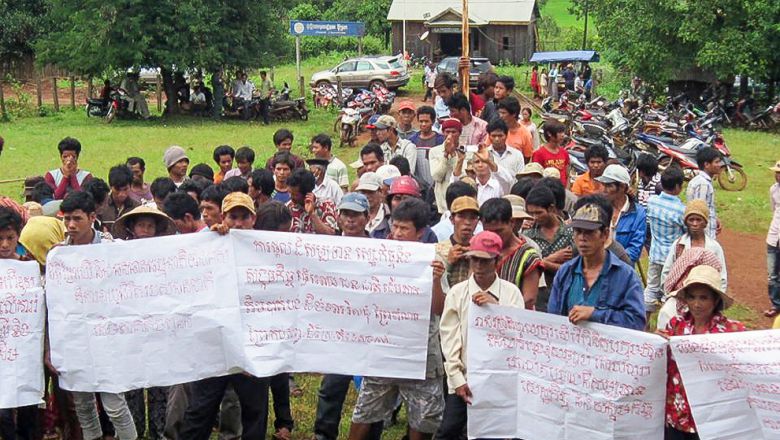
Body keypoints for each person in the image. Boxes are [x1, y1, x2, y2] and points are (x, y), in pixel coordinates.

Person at [348, 198, 445, 440]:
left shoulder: (433, 261)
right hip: (384, 349)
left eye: (405, 229)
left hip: (421, 353)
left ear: (420, 232)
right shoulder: (378, 255)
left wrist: (434, 280)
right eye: (395, 226)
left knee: (421, 419)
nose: (398, 233)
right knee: (364, 412)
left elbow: (439, 309)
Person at [179, 193, 270, 440]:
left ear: (254, 218)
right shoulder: (209, 244)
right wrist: (211, 238)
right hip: (214, 344)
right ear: (223, 218)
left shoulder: (267, 249)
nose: (238, 223)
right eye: (233, 217)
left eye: (244, 217)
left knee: (255, 411)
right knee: (201, 409)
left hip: (252, 344)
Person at [56, 191, 139, 440]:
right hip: (76, 341)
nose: (71, 225)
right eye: (67, 219)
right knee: (83, 405)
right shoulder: (59, 254)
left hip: (109, 340)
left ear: (92, 217)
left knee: (114, 404)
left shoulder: (111, 249)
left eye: (77, 219)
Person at [437, 230, 524, 439]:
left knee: (495, 432)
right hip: (465, 377)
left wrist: (496, 308)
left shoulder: (511, 293)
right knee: (449, 430)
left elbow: (519, 334)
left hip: (499, 380)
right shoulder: (458, 293)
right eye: (474, 259)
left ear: (497, 260)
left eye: (484, 261)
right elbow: (449, 338)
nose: (478, 266)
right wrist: (457, 377)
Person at [312, 193, 384, 440]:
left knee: (373, 391)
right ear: (339, 217)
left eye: (355, 215)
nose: (350, 220)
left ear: (367, 217)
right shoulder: (327, 249)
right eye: (345, 214)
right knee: (331, 388)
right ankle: (323, 435)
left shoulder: (382, 251)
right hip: (338, 332)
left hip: (369, 332)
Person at [110, 206, 176, 439]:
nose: (145, 230)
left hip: (160, 330)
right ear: (132, 228)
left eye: (150, 226)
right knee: (132, 385)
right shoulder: (119, 252)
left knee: (160, 386)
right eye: (141, 225)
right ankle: (135, 431)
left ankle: (159, 432)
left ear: (157, 229)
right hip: (130, 332)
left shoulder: (167, 254)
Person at [658, 265, 745, 440]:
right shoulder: (675, 325)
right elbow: (661, 366)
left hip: (711, 418)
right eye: (692, 297)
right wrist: (657, 345)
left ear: (715, 300)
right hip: (676, 414)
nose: (696, 304)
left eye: (703, 298)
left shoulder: (732, 332)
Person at [548, 201, 646, 330]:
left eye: (589, 232)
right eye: (578, 231)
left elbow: (637, 321)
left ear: (605, 234)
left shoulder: (625, 276)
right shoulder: (565, 272)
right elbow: (553, 318)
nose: (582, 238)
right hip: (570, 347)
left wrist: (595, 314)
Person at [0, 207, 43, 440]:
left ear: (18, 236)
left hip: (25, 353)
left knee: (28, 408)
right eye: (0, 239)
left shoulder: (29, 267)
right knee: (3, 413)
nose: (5, 245)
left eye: (10, 238)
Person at [660, 199, 728, 302]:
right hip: (680, 297)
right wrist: (670, 295)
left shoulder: (714, 248)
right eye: (691, 220)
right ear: (686, 222)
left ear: (705, 223)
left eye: (698, 220)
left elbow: (721, 277)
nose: (695, 224)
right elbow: (667, 272)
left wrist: (716, 300)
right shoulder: (679, 245)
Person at [480, 198, 543, 309]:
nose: (495, 237)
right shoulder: (480, 249)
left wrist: (497, 307)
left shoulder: (529, 256)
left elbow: (529, 299)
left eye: (499, 231)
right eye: (489, 232)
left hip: (515, 320)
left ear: (511, 223)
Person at [643, 168, 687, 320]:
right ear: (677, 187)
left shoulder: (652, 202)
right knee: (670, 291)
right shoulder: (681, 210)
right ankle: (666, 322)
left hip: (654, 254)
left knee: (651, 288)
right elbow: (686, 232)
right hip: (673, 258)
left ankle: (645, 321)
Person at [524, 186, 575, 310]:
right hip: (538, 300)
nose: (534, 217)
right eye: (531, 213)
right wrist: (552, 259)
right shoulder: (528, 236)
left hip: (566, 296)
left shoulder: (571, 233)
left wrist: (541, 263)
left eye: (539, 212)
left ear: (551, 208)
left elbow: (573, 269)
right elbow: (526, 268)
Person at [596, 164, 646, 264]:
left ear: (622, 187)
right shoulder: (597, 208)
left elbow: (635, 249)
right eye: (603, 185)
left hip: (623, 270)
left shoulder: (638, 213)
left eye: (609, 186)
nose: (604, 190)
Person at [435, 195, 481, 291]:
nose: (467, 222)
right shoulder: (438, 250)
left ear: (477, 221)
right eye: (461, 217)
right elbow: (435, 284)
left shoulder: (482, 251)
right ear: (452, 219)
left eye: (472, 218)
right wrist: (448, 262)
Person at [286, 168, 338, 235]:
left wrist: (312, 214)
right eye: (289, 193)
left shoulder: (326, 206)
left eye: (295, 195)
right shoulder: (288, 207)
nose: (290, 197)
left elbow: (331, 234)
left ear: (306, 193)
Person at [686, 147, 722, 239]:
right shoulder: (703, 184)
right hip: (704, 235)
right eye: (716, 162)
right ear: (706, 164)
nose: (720, 165)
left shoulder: (698, 180)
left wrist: (715, 219)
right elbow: (699, 211)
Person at [429, 118, 462, 215]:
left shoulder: (465, 151)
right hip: (442, 203)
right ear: (443, 133)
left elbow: (462, 176)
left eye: (454, 132)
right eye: (447, 132)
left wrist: (453, 155)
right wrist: (446, 155)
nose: (450, 135)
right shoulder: (434, 151)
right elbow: (436, 177)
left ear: (459, 133)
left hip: (461, 200)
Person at [409, 106, 445, 188]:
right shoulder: (412, 141)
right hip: (419, 185)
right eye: (421, 121)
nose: (423, 124)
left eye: (426, 121)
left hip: (437, 183)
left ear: (432, 121)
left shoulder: (440, 141)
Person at [97, 164, 140, 232]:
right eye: (117, 189)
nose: (121, 194)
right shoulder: (100, 206)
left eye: (125, 189)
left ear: (131, 186)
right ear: (110, 186)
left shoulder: (137, 208)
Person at [532, 120, 570, 185]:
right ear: (549, 134)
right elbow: (536, 177)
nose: (563, 135)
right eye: (560, 132)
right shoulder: (539, 154)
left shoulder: (564, 153)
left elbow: (567, 175)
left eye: (563, 132)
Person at [497, 97, 533, 162]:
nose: (500, 116)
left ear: (514, 114)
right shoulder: (495, 129)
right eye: (499, 112)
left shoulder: (525, 133)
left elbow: (527, 157)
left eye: (503, 113)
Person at [765, 160, 780, 318]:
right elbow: (773, 209)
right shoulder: (773, 190)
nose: (777, 176)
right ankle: (776, 304)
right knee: (772, 275)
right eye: (776, 173)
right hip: (773, 237)